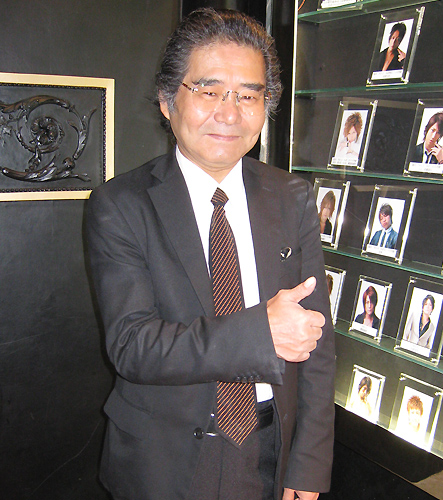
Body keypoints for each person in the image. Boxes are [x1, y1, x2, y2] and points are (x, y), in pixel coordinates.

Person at [86, 8, 335, 500]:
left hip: (269, 445)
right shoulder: (120, 204)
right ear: (167, 100)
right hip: (164, 459)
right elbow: (133, 345)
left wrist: (308, 467)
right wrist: (260, 332)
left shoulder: (292, 197)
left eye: (249, 95)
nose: (230, 113)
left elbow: (317, 342)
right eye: (209, 91)